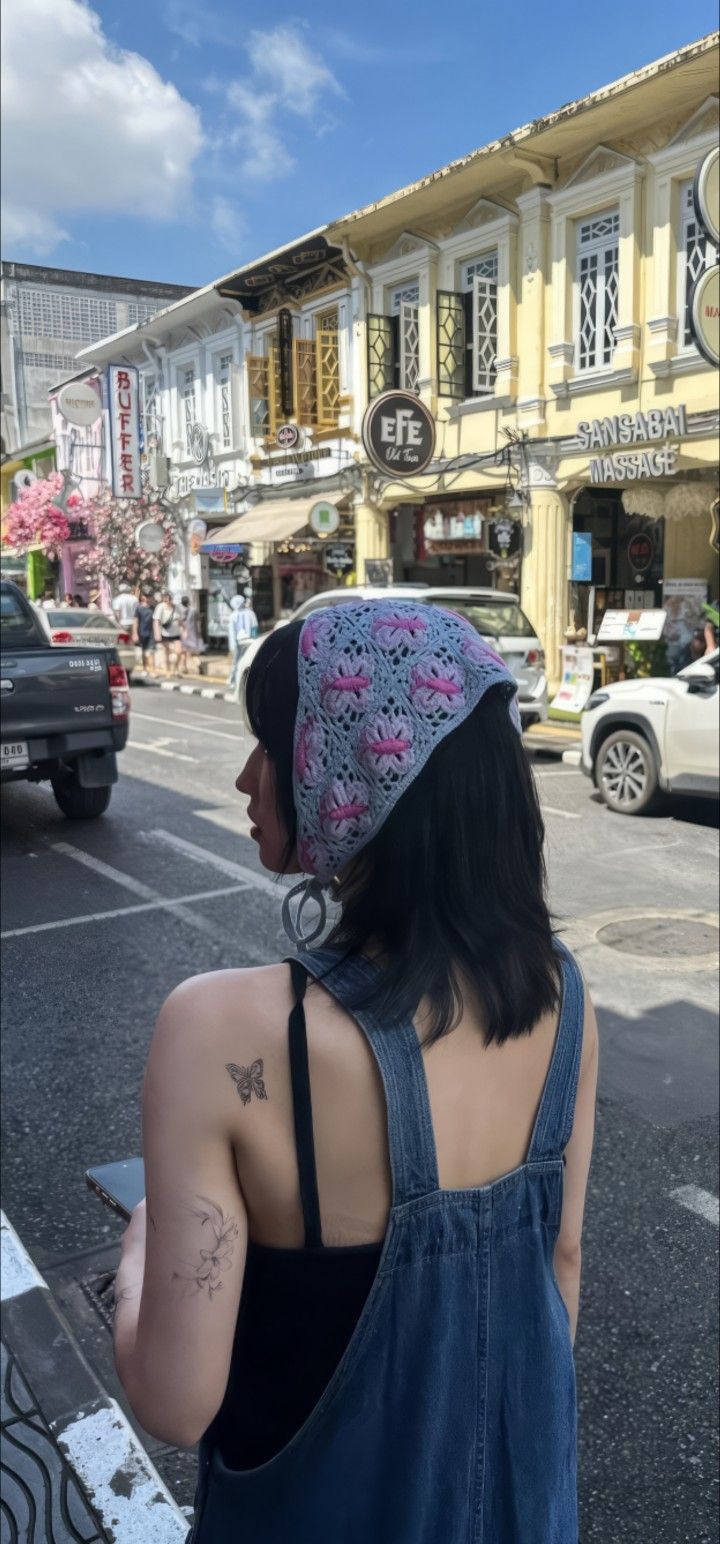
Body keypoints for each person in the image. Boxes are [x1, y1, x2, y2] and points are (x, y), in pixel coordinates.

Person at [113, 601, 598, 1543]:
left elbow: (176, 1403)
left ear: (360, 777)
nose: (247, 776)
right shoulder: (562, 993)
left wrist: (138, 1257)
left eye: (271, 744)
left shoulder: (223, 1030)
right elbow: (558, 1268)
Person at [227, 593, 258, 692]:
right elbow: (255, 628)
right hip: (250, 642)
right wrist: (255, 640)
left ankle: (234, 682)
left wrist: (232, 647)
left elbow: (232, 633)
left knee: (237, 663)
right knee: (250, 661)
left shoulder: (233, 616)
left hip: (239, 643)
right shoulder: (251, 613)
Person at [152, 590, 181, 675]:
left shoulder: (176, 607)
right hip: (165, 633)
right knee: (167, 652)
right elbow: (156, 621)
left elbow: (181, 620)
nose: (167, 600)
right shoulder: (160, 607)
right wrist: (157, 633)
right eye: (166, 598)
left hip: (176, 633)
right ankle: (168, 670)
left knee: (178, 651)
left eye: (169, 598)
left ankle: (175, 668)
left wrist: (184, 630)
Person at [178, 594, 206, 675]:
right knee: (193, 652)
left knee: (184, 652)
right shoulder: (194, 610)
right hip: (194, 634)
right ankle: (198, 663)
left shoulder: (181, 611)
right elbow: (198, 622)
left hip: (184, 634)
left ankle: (184, 668)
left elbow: (180, 623)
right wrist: (199, 632)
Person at [133, 592, 156, 672]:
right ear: (143, 597)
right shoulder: (139, 608)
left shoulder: (153, 608)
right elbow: (136, 621)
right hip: (142, 632)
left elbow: (156, 621)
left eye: (149, 596)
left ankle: (153, 670)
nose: (148, 598)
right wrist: (135, 633)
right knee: (143, 651)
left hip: (151, 633)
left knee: (151, 651)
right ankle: (145, 668)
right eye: (146, 596)